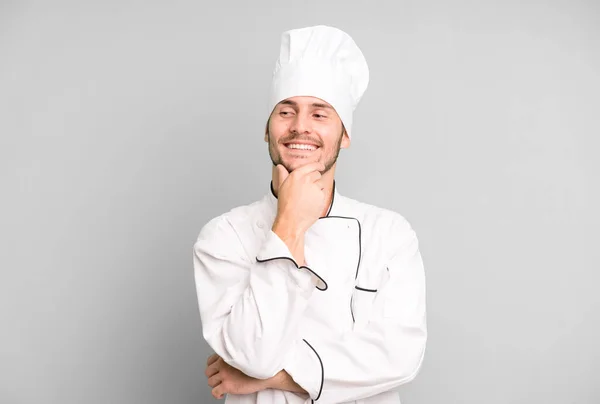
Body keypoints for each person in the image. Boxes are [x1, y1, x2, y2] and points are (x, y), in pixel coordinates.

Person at [193, 25, 427, 404]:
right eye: (286, 111)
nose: (300, 126)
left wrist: (275, 377)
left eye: (320, 114)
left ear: (344, 135)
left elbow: (401, 356)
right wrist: (288, 224)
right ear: (267, 131)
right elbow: (252, 353)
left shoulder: (390, 234)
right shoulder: (223, 236)